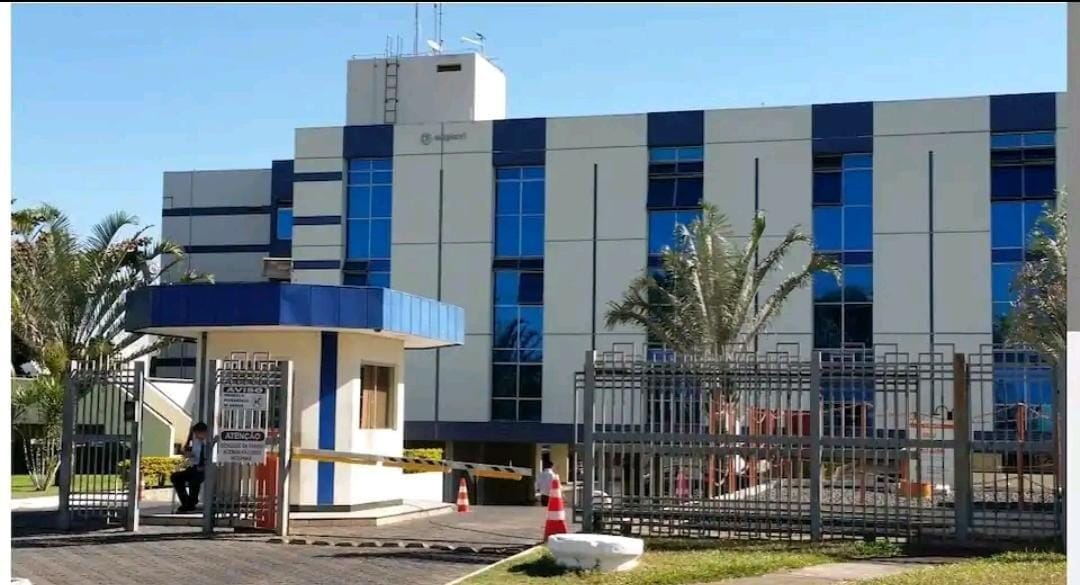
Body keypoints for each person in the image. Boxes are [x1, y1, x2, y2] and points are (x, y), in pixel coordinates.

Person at [171, 422, 209, 513]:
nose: (197, 437)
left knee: (195, 479)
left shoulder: (210, 443)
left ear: (204, 432)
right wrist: (188, 454)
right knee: (176, 477)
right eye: (195, 434)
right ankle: (186, 502)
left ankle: (191, 502)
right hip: (194, 466)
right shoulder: (195, 441)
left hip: (206, 469)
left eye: (198, 434)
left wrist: (203, 466)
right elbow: (192, 453)